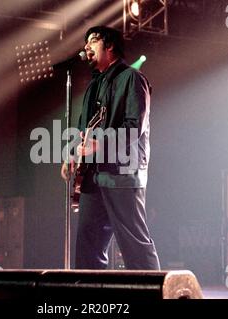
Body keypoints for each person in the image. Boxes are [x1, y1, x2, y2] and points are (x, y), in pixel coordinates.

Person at [61, 26, 160, 270]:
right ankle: (91, 301)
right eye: (85, 42)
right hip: (93, 177)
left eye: (93, 40)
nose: (86, 47)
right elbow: (83, 131)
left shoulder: (132, 78)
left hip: (123, 175)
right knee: (88, 246)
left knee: (134, 243)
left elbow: (134, 126)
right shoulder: (93, 87)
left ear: (110, 45)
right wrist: (73, 154)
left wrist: (101, 142)